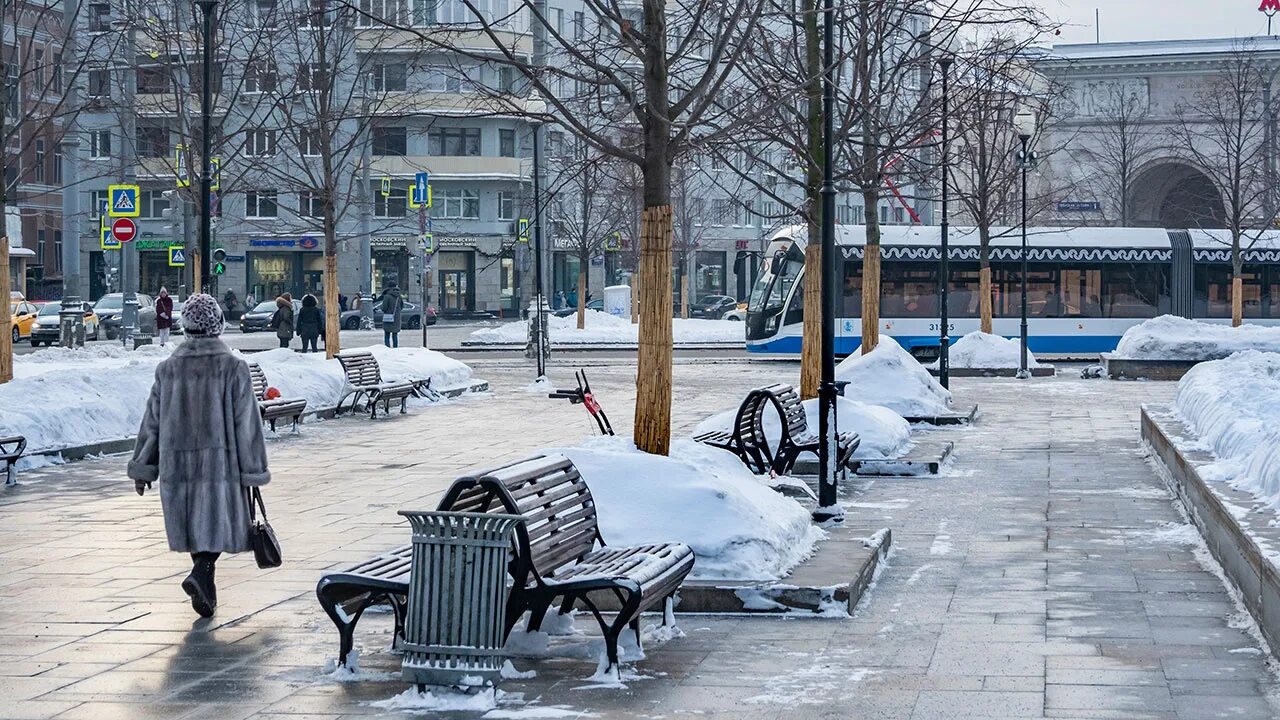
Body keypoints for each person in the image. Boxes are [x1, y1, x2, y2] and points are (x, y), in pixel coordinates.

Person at [127, 294, 270, 618]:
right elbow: (247, 424)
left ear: (186, 328)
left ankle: (205, 583)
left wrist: (143, 468)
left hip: (177, 466)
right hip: (220, 466)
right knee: (216, 524)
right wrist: (254, 470)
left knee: (194, 526)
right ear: (218, 326)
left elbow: (152, 422)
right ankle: (202, 572)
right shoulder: (233, 368)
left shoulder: (169, 369)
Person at [378, 281, 403, 348]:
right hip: (396, 317)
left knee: (387, 334)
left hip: (388, 317)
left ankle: (387, 348)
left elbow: (384, 307)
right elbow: (401, 306)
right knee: (395, 335)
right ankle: (395, 348)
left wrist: (385, 310)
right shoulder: (399, 296)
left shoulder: (387, 296)